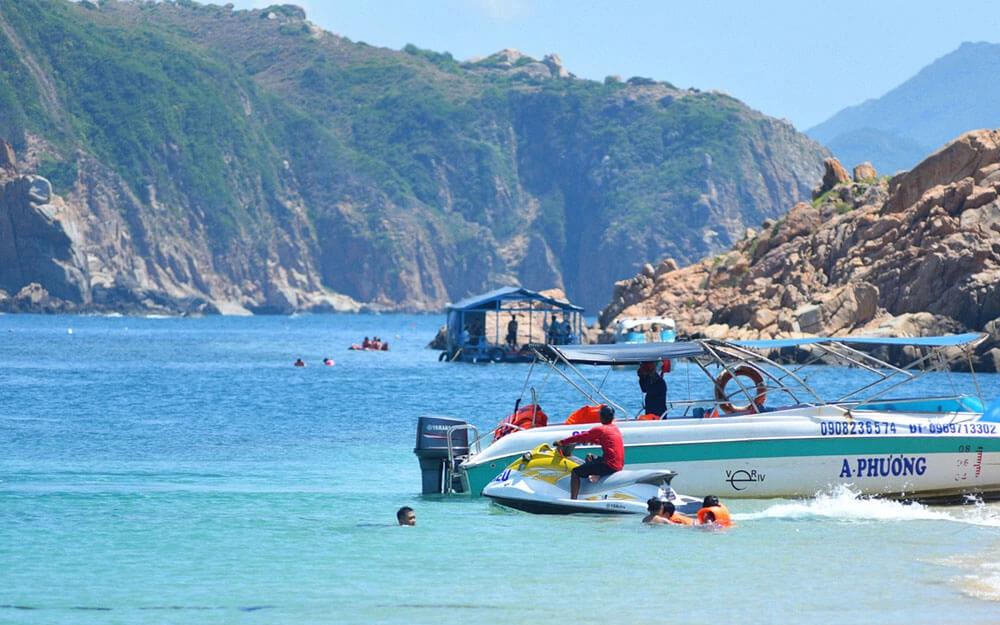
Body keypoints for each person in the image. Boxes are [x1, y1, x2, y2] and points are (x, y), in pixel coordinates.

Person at [554, 405, 623, 499]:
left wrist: (562, 442)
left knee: (575, 472)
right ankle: (593, 483)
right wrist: (592, 441)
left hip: (609, 465)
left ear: (602, 417)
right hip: (618, 464)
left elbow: (581, 436)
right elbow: (602, 441)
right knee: (589, 456)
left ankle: (573, 499)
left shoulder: (600, 429)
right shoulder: (615, 428)